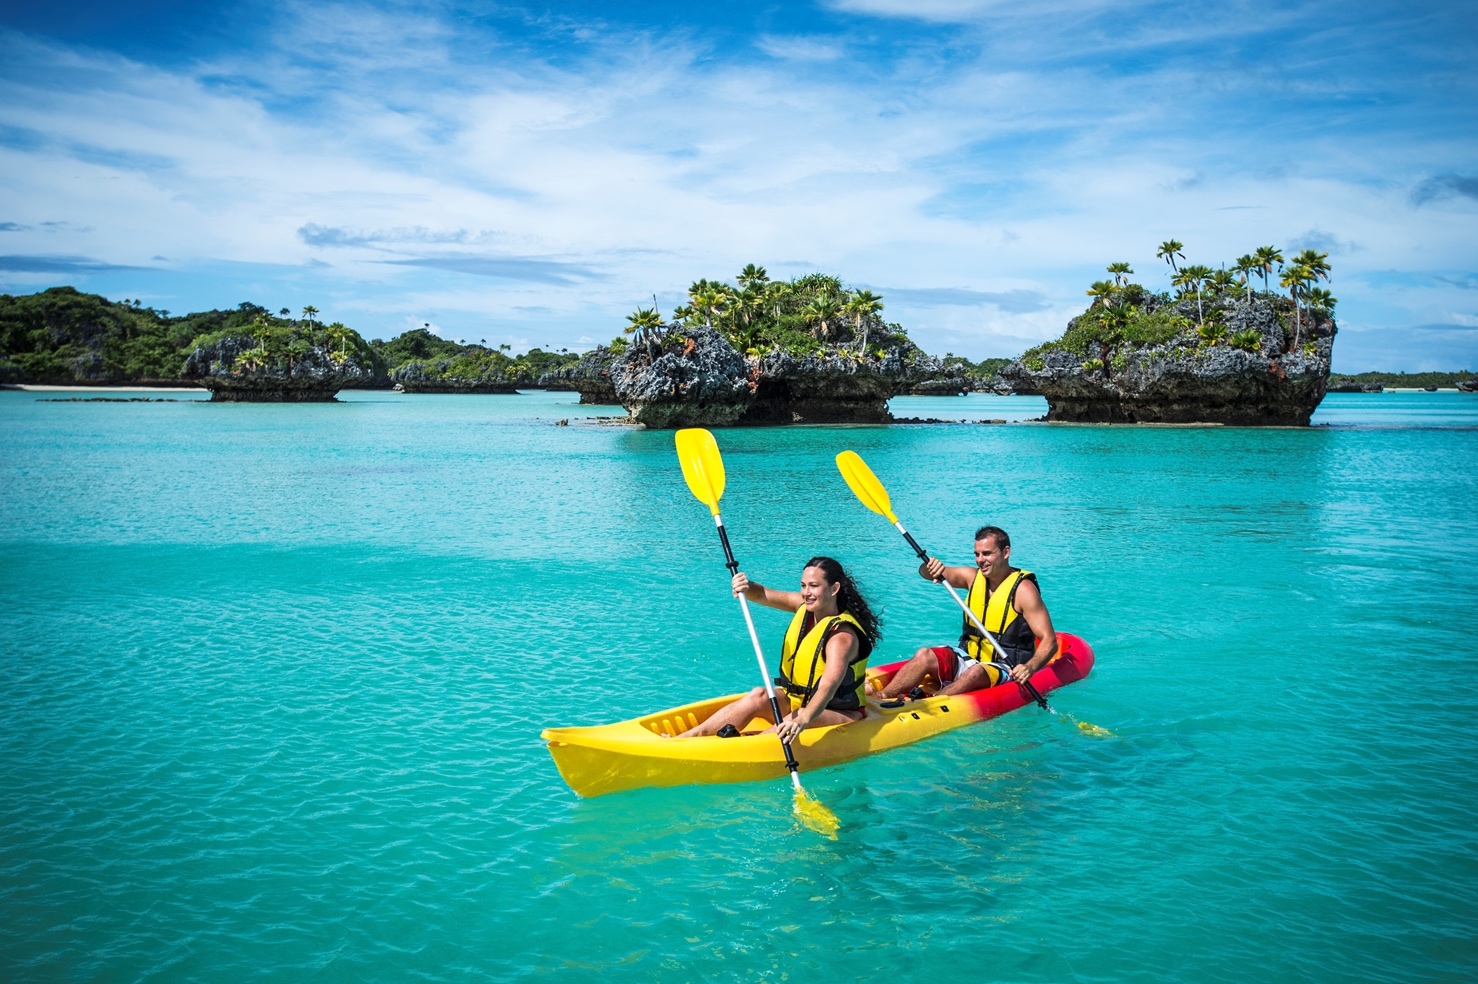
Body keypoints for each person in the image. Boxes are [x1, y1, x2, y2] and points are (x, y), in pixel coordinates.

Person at [677, 556, 880, 741]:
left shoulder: (841, 636)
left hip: (840, 712)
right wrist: (745, 586)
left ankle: (746, 746)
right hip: (798, 700)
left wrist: (802, 720)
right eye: (803, 586)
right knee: (759, 695)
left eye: (814, 586)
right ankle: (691, 736)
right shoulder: (804, 606)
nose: (806, 593)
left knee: (796, 715)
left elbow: (828, 686)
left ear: (834, 589)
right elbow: (763, 595)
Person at [878, 525, 1056, 699]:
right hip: (969, 658)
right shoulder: (971, 577)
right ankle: (882, 696)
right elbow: (926, 573)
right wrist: (930, 567)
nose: (980, 560)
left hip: (1005, 667)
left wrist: (1029, 668)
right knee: (924, 655)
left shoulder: (1024, 590)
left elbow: (1049, 640)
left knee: (975, 672)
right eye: (977, 554)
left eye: (987, 553)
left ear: (1006, 552)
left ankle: (931, 704)